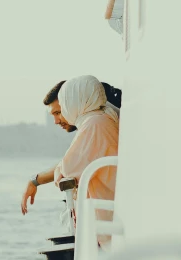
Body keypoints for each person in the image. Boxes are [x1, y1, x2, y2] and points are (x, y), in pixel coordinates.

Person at [20, 78, 121, 214]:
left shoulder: (95, 124)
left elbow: (65, 170)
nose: (56, 121)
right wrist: (35, 180)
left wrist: (36, 180)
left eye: (59, 112)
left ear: (74, 102)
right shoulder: (102, 118)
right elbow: (75, 160)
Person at [53, 75, 119, 242]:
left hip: (109, 214)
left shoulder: (94, 124)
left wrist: (59, 168)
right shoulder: (105, 117)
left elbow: (68, 169)